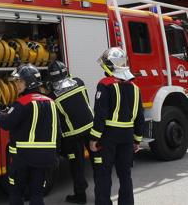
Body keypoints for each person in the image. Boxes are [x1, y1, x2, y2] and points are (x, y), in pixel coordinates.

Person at [0, 64, 61, 205]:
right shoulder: (51, 103)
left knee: (16, 194)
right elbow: (57, 133)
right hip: (44, 158)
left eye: (20, 81)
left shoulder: (22, 103)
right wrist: (56, 155)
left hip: (23, 158)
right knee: (37, 194)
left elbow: (6, 123)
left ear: (29, 82)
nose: (17, 84)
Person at [90, 47, 144, 205]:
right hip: (127, 137)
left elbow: (100, 115)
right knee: (125, 174)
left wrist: (94, 138)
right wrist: (137, 140)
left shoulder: (104, 85)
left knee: (104, 175)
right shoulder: (135, 87)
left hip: (108, 137)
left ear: (110, 66)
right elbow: (139, 117)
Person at [47, 61, 94, 204]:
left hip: (72, 137)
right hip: (92, 130)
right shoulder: (79, 82)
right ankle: (103, 196)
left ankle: (80, 196)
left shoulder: (53, 97)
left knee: (77, 166)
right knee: (98, 163)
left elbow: (57, 121)